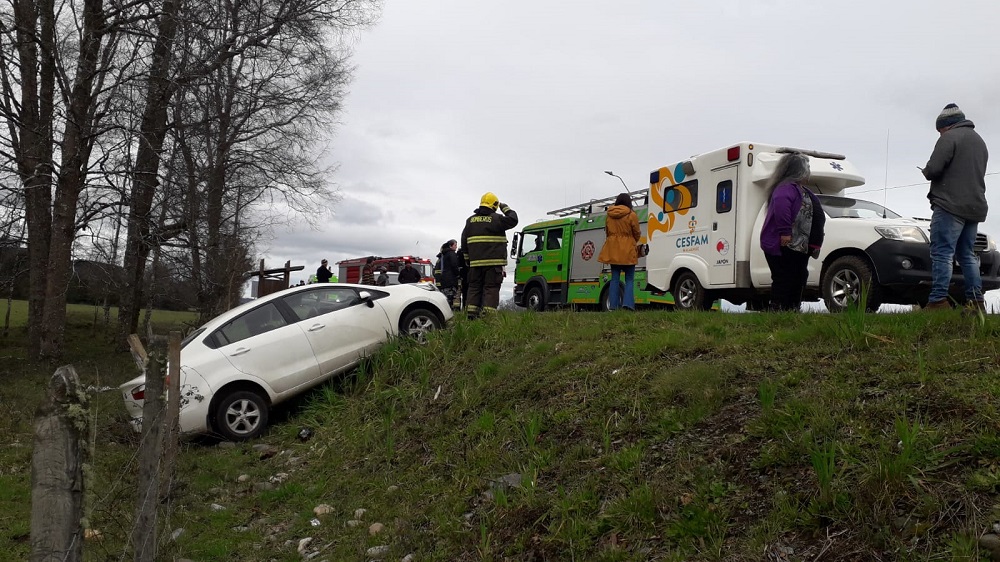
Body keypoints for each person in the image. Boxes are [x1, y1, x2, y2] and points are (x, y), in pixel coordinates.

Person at [921, 103, 989, 312]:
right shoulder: (980, 142)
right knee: (967, 255)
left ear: (947, 126)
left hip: (950, 205)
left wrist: (926, 171)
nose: (939, 134)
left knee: (941, 253)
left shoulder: (949, 138)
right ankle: (976, 302)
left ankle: (938, 301)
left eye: (940, 130)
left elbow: (934, 168)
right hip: (974, 207)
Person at [760, 152, 825, 312]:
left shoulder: (803, 190)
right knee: (784, 277)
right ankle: (778, 307)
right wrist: (785, 232)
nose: (809, 170)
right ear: (799, 169)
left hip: (800, 246)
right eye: (807, 167)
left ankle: (793, 307)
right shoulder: (785, 189)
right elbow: (782, 210)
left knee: (799, 276)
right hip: (785, 243)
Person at [461, 192, 518, 318]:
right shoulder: (497, 219)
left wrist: (467, 259)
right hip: (493, 264)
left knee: (474, 288)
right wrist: (505, 208)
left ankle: (471, 316)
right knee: (491, 289)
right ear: (494, 205)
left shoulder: (470, 221)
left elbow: (464, 241)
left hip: (475, 264)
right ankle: (488, 318)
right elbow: (513, 220)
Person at [597, 193, 642, 310]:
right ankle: (628, 305)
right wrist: (631, 241)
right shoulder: (632, 215)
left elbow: (607, 232)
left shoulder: (609, 215)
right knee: (629, 279)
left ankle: (613, 305)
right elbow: (637, 232)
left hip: (613, 251)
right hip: (628, 251)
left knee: (615, 278)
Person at [435, 240, 461, 309]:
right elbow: (454, 265)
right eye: (455, 245)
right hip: (451, 280)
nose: (456, 247)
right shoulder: (452, 254)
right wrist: (458, 274)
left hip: (444, 280)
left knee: (446, 298)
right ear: (450, 246)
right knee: (452, 297)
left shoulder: (443, 256)